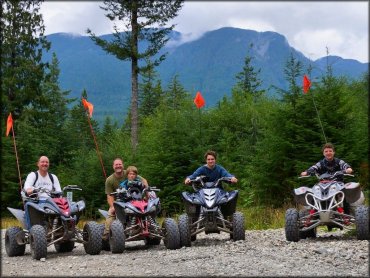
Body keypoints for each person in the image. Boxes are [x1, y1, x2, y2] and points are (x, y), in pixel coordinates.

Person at [102, 158, 148, 244]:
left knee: (147, 208)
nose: (118, 166)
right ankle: (106, 236)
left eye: (120, 164)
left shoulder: (129, 172)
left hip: (135, 199)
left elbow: (143, 180)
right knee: (111, 213)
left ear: (123, 165)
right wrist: (113, 206)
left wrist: (146, 189)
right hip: (120, 201)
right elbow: (109, 196)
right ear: (113, 166)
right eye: (116, 165)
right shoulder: (110, 180)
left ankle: (151, 228)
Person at [23, 156, 62, 228]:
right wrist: (30, 190)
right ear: (38, 164)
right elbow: (27, 187)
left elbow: (59, 191)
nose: (45, 164)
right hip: (36, 201)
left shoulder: (53, 177)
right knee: (29, 205)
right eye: (42, 162)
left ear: (49, 164)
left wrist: (58, 194)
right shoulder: (33, 175)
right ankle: (31, 230)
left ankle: (63, 226)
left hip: (50, 201)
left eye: (47, 162)